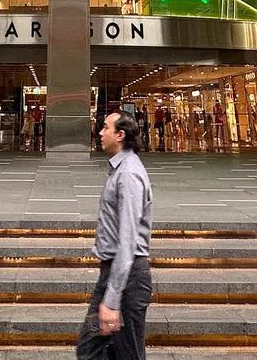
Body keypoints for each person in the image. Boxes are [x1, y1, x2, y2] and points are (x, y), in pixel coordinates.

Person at [77, 111, 153, 360]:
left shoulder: (128, 175)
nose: (100, 133)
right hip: (115, 273)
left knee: (119, 353)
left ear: (120, 135)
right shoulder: (120, 170)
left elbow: (128, 240)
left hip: (127, 277)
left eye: (105, 128)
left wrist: (111, 300)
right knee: (95, 349)